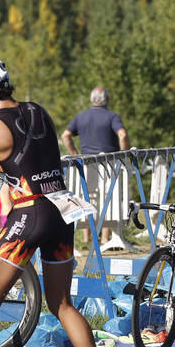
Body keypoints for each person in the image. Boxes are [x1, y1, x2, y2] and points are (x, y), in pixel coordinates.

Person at [0, 59, 108, 347]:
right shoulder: (38, 111)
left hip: (30, 213)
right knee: (61, 303)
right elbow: (28, 156)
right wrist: (4, 168)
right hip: (62, 210)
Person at [61, 87, 130, 245]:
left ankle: (86, 238)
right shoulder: (112, 117)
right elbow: (123, 134)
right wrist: (123, 155)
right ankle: (105, 238)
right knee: (108, 198)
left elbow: (65, 135)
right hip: (108, 163)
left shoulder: (81, 117)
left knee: (87, 197)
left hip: (85, 163)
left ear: (92, 99)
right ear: (107, 99)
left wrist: (74, 152)